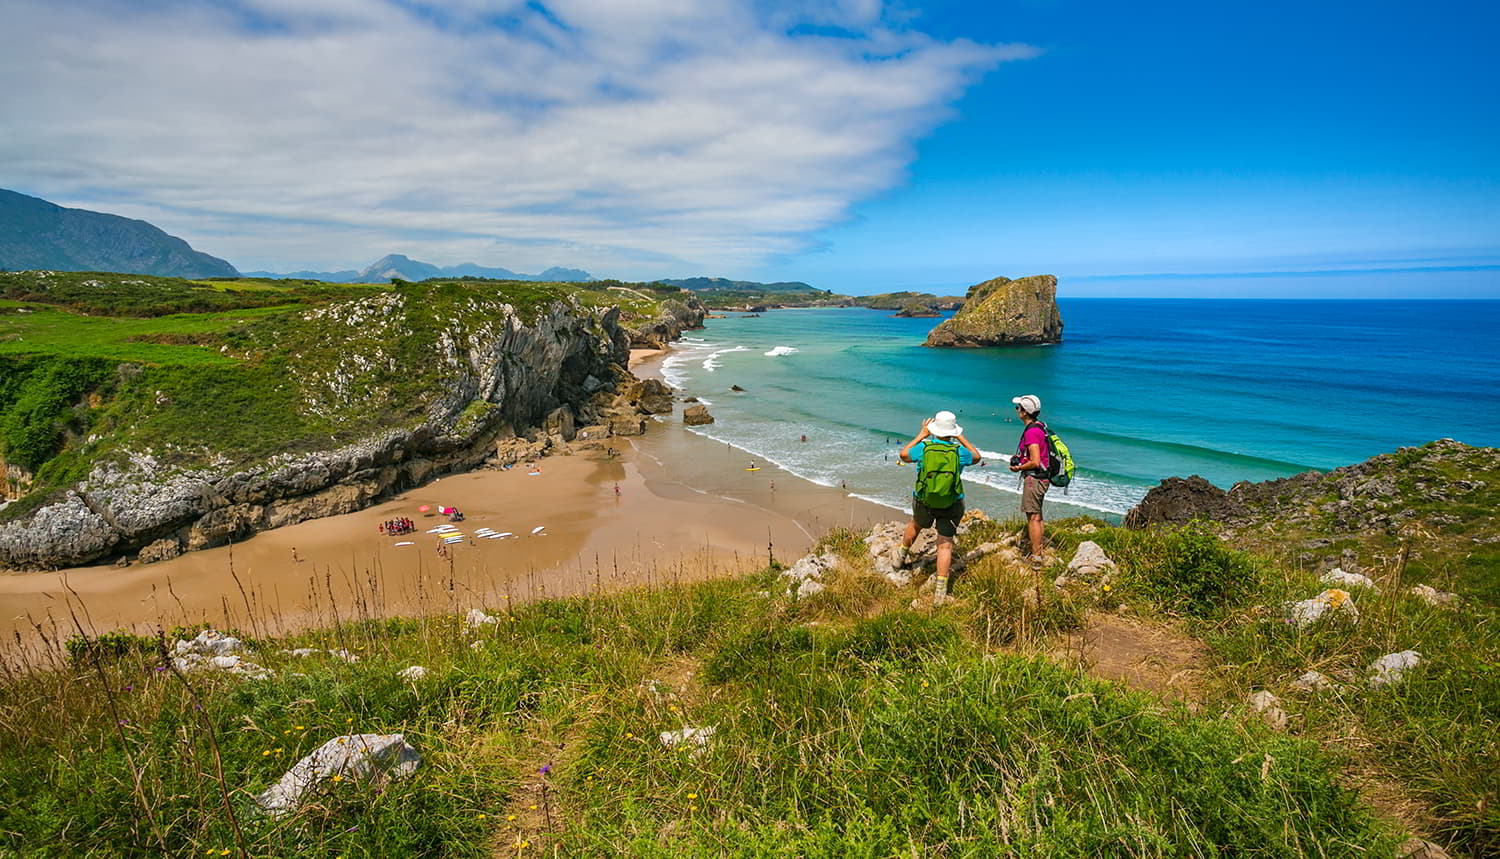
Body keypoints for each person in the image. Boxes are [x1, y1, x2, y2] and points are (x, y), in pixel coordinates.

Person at [898, 410, 984, 603]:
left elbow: (903, 455)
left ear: (934, 429)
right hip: (951, 503)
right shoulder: (959, 452)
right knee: (945, 544)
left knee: (916, 525)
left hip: (924, 500)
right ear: (953, 432)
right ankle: (940, 592)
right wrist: (961, 438)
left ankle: (900, 558)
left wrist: (921, 435)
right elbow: (977, 457)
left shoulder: (923, 449)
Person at [1008, 394, 1050, 565]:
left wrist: (1018, 467)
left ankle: (1036, 556)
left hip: (1034, 479)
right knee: (1037, 516)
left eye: (1018, 408)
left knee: (1032, 517)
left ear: (1025, 412)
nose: (1016, 411)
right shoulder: (1040, 426)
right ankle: (1039, 548)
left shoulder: (1032, 432)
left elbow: (1035, 461)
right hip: (1042, 478)